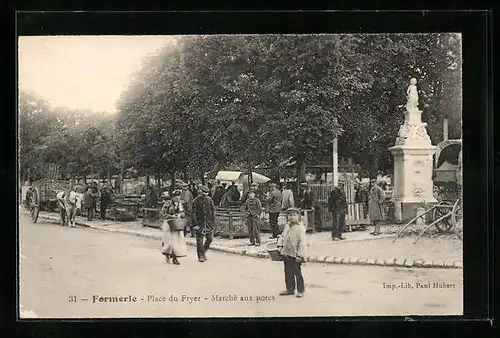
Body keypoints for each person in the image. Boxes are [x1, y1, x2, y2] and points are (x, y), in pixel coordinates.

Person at [277, 207, 307, 298]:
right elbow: (282, 236)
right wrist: (280, 245)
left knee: (297, 272)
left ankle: (300, 290)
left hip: (295, 254)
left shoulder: (300, 228)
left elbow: (302, 243)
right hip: (286, 252)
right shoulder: (287, 226)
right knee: (288, 271)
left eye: (294, 215)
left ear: (298, 216)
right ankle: (290, 288)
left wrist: (300, 255)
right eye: (290, 215)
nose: (292, 217)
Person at [160, 190, 188, 265]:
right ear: (173, 197)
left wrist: (180, 215)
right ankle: (167, 254)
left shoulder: (180, 204)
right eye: (176, 197)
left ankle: (175, 257)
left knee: (176, 241)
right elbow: (162, 213)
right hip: (168, 223)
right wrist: (171, 216)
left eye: (179, 196)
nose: (178, 198)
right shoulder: (168, 203)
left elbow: (183, 212)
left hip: (177, 223)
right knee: (168, 241)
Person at [192, 185, 216, 262]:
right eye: (204, 192)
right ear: (200, 192)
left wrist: (213, 221)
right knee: (199, 240)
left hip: (208, 223)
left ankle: (203, 251)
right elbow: (193, 213)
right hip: (200, 223)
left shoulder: (209, 200)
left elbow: (213, 210)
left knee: (209, 239)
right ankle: (201, 255)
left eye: (207, 192)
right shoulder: (195, 201)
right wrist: (195, 224)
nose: (205, 194)